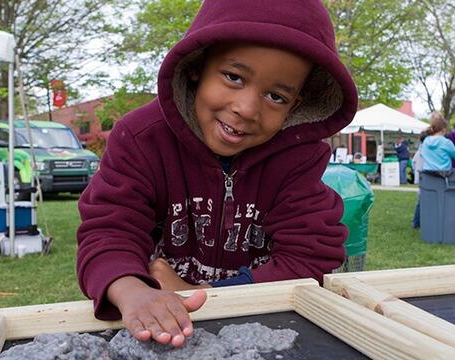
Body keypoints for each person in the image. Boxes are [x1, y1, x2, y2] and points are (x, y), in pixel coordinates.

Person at [76, 0, 357, 348]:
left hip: (263, 328)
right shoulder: (141, 139)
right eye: (233, 77)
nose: (247, 108)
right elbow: (108, 231)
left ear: (297, 105)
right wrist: (132, 290)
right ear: (197, 66)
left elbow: (311, 256)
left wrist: (204, 294)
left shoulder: (298, 156)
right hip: (156, 324)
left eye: (276, 96)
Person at [411, 112, 455, 228]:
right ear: (444, 129)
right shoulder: (446, 142)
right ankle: (443, 223)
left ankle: (425, 222)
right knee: (445, 201)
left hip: (429, 176)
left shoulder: (425, 142)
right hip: (444, 177)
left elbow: (423, 155)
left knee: (427, 201)